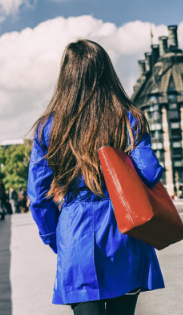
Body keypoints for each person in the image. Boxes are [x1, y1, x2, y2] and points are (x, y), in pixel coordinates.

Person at [27, 39, 164, 313]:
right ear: (106, 73)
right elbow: (150, 173)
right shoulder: (128, 118)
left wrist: (57, 237)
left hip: (74, 232)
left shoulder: (47, 128)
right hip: (123, 233)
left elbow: (38, 199)